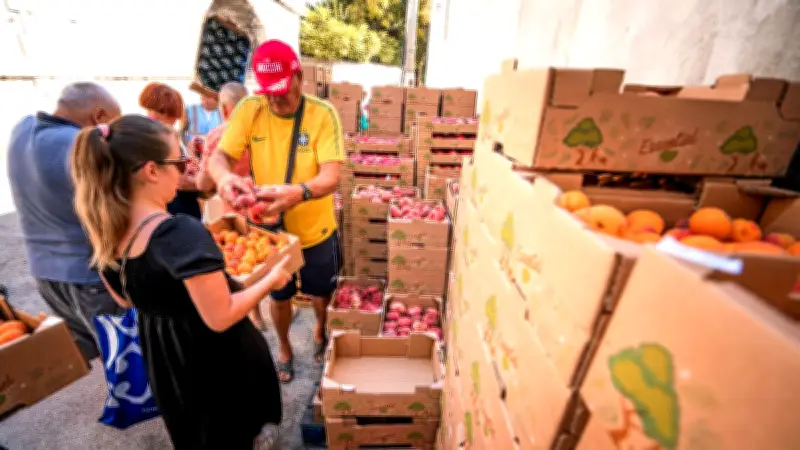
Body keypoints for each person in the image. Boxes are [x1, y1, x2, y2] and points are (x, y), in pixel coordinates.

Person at [71, 114, 291, 449]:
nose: (187, 168)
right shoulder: (180, 233)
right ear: (151, 170)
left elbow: (125, 299)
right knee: (231, 429)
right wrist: (270, 281)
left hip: (165, 354)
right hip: (214, 359)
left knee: (196, 428)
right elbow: (221, 317)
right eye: (178, 160)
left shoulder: (103, 230)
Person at [208, 39, 344, 383]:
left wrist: (298, 193)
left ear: (299, 76)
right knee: (279, 295)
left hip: (316, 230)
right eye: (268, 92)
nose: (275, 99)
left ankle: (319, 329)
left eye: (282, 90)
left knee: (321, 292)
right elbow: (219, 157)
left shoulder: (322, 114)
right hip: (273, 233)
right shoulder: (250, 109)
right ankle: (284, 347)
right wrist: (224, 180)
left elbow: (331, 176)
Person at [7, 82, 123, 361]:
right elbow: (113, 211)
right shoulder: (79, 147)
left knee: (104, 353)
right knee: (129, 361)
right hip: (89, 278)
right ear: (100, 117)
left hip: (45, 275)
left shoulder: (20, 131)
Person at [139, 82, 203, 219]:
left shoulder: (153, 133)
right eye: (172, 116)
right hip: (173, 209)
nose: (175, 121)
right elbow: (180, 182)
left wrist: (191, 155)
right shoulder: (157, 136)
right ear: (162, 111)